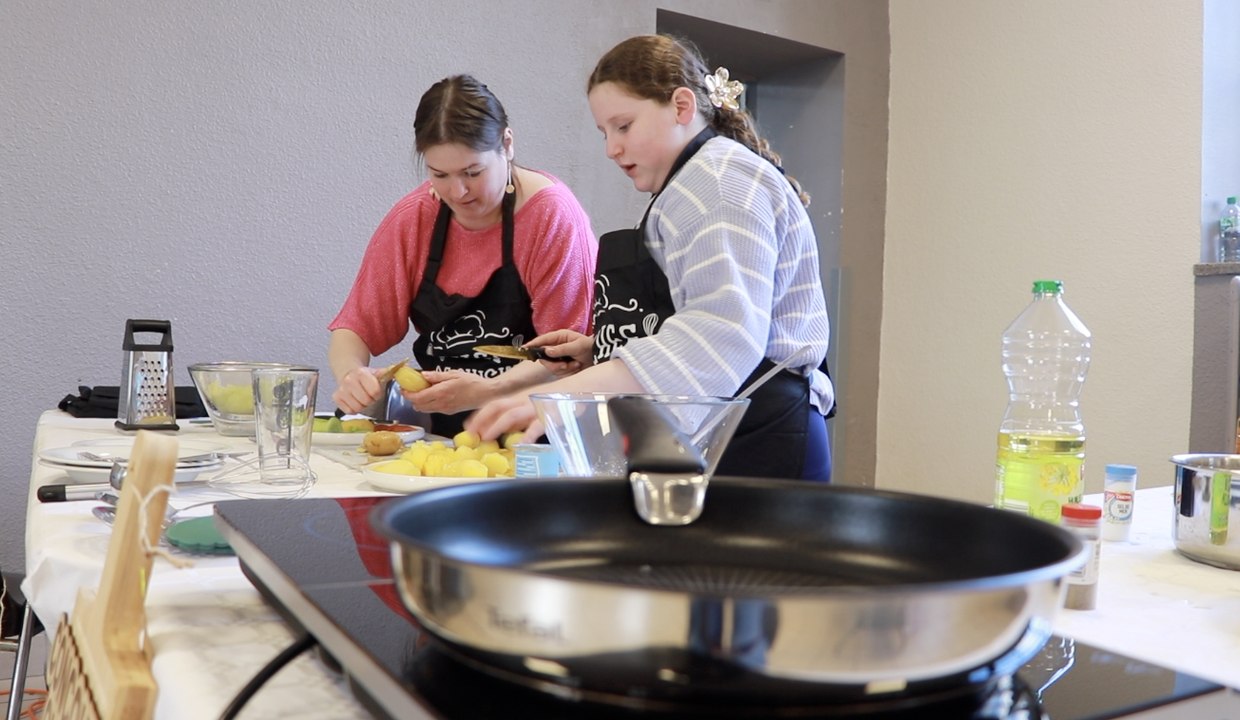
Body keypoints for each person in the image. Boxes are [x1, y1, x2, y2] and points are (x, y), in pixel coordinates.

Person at [467, 35, 835, 481]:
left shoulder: (717, 182)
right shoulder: (693, 183)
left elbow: (725, 332)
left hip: (762, 437)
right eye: (604, 132)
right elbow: (694, 315)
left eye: (623, 126)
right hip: (727, 430)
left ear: (682, 107)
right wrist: (601, 350)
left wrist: (569, 395)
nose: (611, 148)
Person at [328, 75, 598, 437]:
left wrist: (487, 391)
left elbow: (570, 356)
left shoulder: (552, 216)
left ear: (507, 144)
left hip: (534, 419)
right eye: (439, 174)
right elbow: (356, 327)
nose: (458, 192)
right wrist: (352, 374)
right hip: (441, 421)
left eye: (473, 172)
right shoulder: (414, 217)